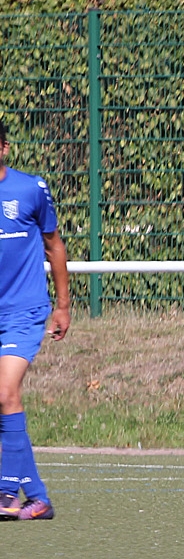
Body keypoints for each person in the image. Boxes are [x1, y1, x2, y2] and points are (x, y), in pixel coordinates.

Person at [0, 120, 69, 521]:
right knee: (4, 402)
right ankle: (38, 499)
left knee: (5, 391)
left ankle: (7, 494)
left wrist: (63, 305)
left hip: (23, 312)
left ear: (4, 148)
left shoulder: (30, 189)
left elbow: (54, 245)